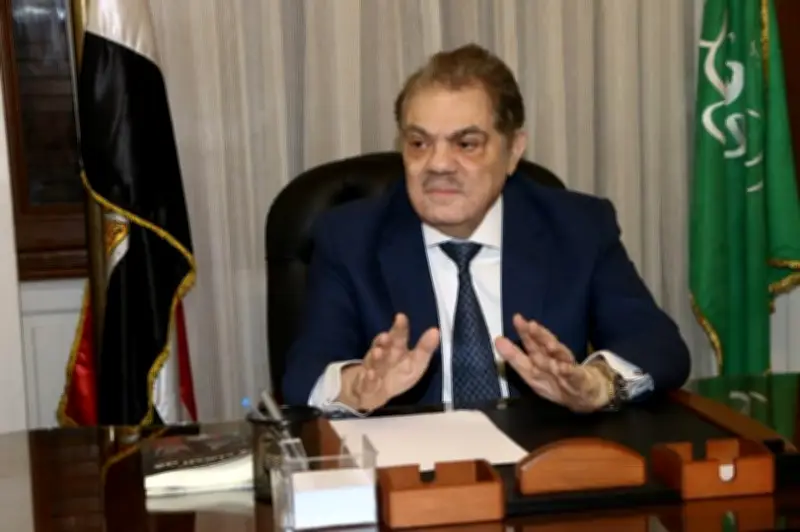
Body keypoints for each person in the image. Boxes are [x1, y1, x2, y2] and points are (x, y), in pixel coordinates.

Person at [281, 43, 691, 415]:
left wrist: (596, 385)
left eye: (466, 144)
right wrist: (356, 387)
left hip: (543, 460)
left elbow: (659, 346)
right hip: (409, 466)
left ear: (513, 151)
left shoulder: (577, 227)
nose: (438, 164)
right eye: (419, 143)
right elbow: (303, 374)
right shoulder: (350, 237)